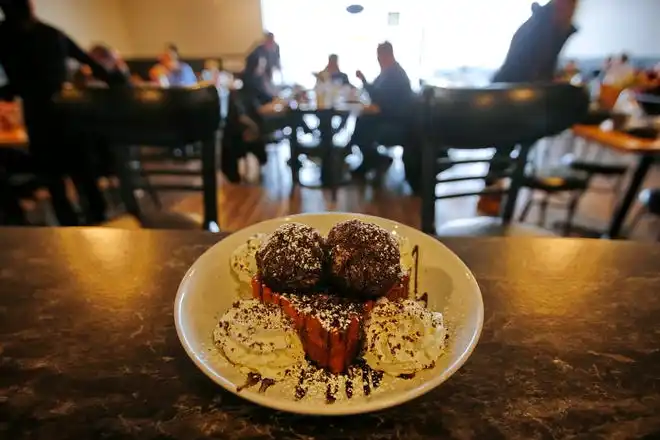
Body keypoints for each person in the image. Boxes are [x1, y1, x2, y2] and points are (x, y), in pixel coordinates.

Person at [0, 0, 128, 225]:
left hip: (37, 118)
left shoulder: (4, 38)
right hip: (68, 114)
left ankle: (67, 233)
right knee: (85, 178)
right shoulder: (51, 34)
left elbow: (16, 88)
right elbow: (98, 69)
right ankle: (100, 224)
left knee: (54, 184)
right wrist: (121, 84)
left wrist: (11, 91)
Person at [479, 0, 579, 215]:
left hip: (518, 98)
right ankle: (492, 194)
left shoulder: (545, 25)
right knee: (505, 148)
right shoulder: (541, 28)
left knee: (510, 148)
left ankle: (495, 193)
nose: (572, 10)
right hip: (514, 98)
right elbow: (527, 68)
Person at [350, 42, 413, 177]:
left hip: (396, 121)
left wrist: (365, 83)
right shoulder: (388, 72)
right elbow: (378, 93)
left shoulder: (394, 74)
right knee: (361, 120)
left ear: (386, 55)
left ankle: (375, 160)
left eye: (380, 57)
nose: (379, 60)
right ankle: (373, 159)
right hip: (390, 115)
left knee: (362, 124)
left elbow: (381, 99)